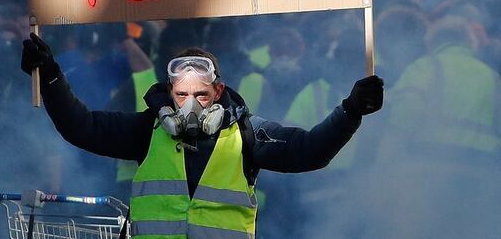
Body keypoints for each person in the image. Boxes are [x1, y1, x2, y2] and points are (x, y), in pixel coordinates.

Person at [21, 33, 384, 238]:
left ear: (219, 91)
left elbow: (309, 152)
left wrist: (350, 111)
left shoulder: (247, 132)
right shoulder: (146, 130)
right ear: (168, 91)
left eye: (201, 95)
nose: (190, 105)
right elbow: (80, 126)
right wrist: (51, 76)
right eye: (181, 96)